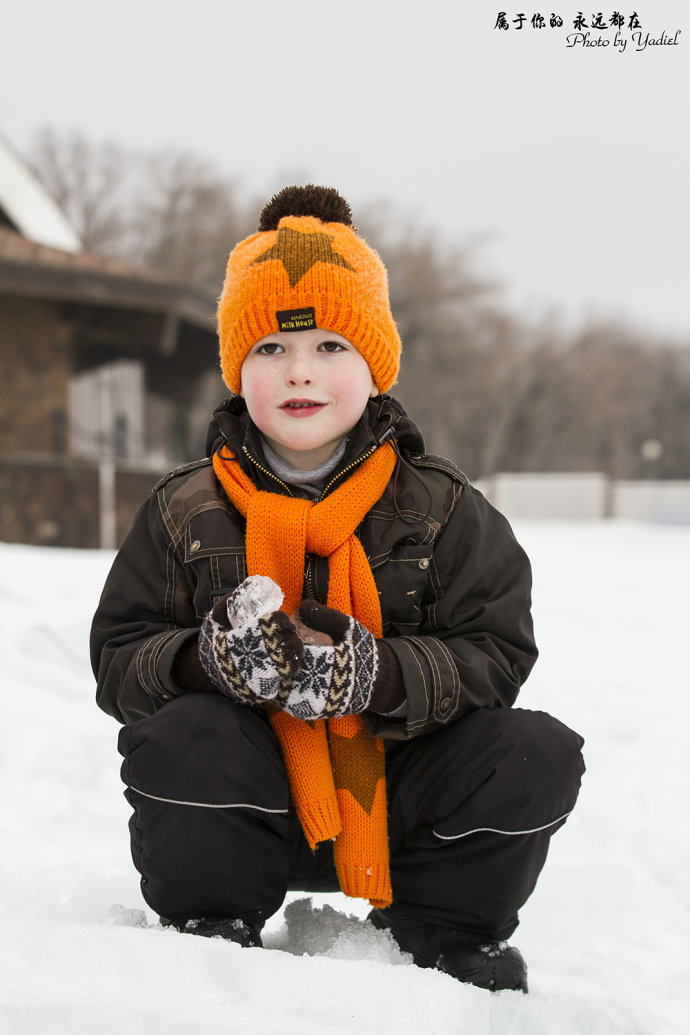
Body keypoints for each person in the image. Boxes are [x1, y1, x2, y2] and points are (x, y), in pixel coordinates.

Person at [91, 184, 584, 993]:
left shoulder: (443, 505)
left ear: (373, 363)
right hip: (247, 796)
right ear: (236, 368)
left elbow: (497, 649)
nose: (299, 373)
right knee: (183, 737)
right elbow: (118, 655)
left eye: (329, 347)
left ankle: (447, 927)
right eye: (270, 349)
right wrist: (202, 661)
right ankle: (211, 922)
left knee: (533, 751)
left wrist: (380, 675)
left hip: (396, 792)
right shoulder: (185, 506)